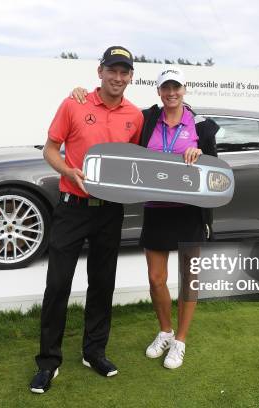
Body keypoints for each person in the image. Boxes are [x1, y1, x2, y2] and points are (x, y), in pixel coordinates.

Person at [70, 67, 219, 369]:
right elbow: (114, 117)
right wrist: (82, 95)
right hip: (156, 210)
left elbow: (214, 168)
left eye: (176, 87)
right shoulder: (148, 119)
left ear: (184, 89)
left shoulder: (200, 126)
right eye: (166, 88)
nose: (171, 93)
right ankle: (165, 331)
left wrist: (200, 152)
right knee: (156, 278)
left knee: (188, 280)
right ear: (159, 91)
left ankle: (181, 341)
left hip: (188, 211)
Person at [30, 46, 143, 394]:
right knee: (58, 285)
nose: (118, 78)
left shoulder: (134, 116)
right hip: (72, 206)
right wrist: (68, 170)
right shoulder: (73, 104)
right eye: (113, 70)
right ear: (100, 71)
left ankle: (94, 352)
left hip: (110, 211)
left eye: (125, 72)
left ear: (131, 77)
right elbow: (50, 148)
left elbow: (132, 161)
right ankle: (48, 363)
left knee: (102, 283)